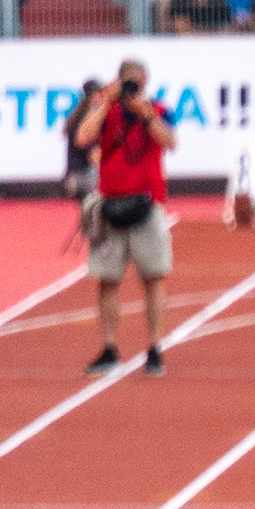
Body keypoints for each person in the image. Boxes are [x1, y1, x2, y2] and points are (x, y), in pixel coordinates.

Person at [75, 58, 177, 375]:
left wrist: (146, 116)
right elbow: (82, 138)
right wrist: (106, 103)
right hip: (111, 201)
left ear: (146, 82)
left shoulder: (157, 109)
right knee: (107, 280)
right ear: (118, 81)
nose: (134, 87)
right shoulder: (106, 110)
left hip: (148, 203)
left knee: (154, 278)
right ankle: (109, 347)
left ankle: (155, 346)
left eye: (138, 81)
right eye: (128, 82)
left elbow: (169, 142)